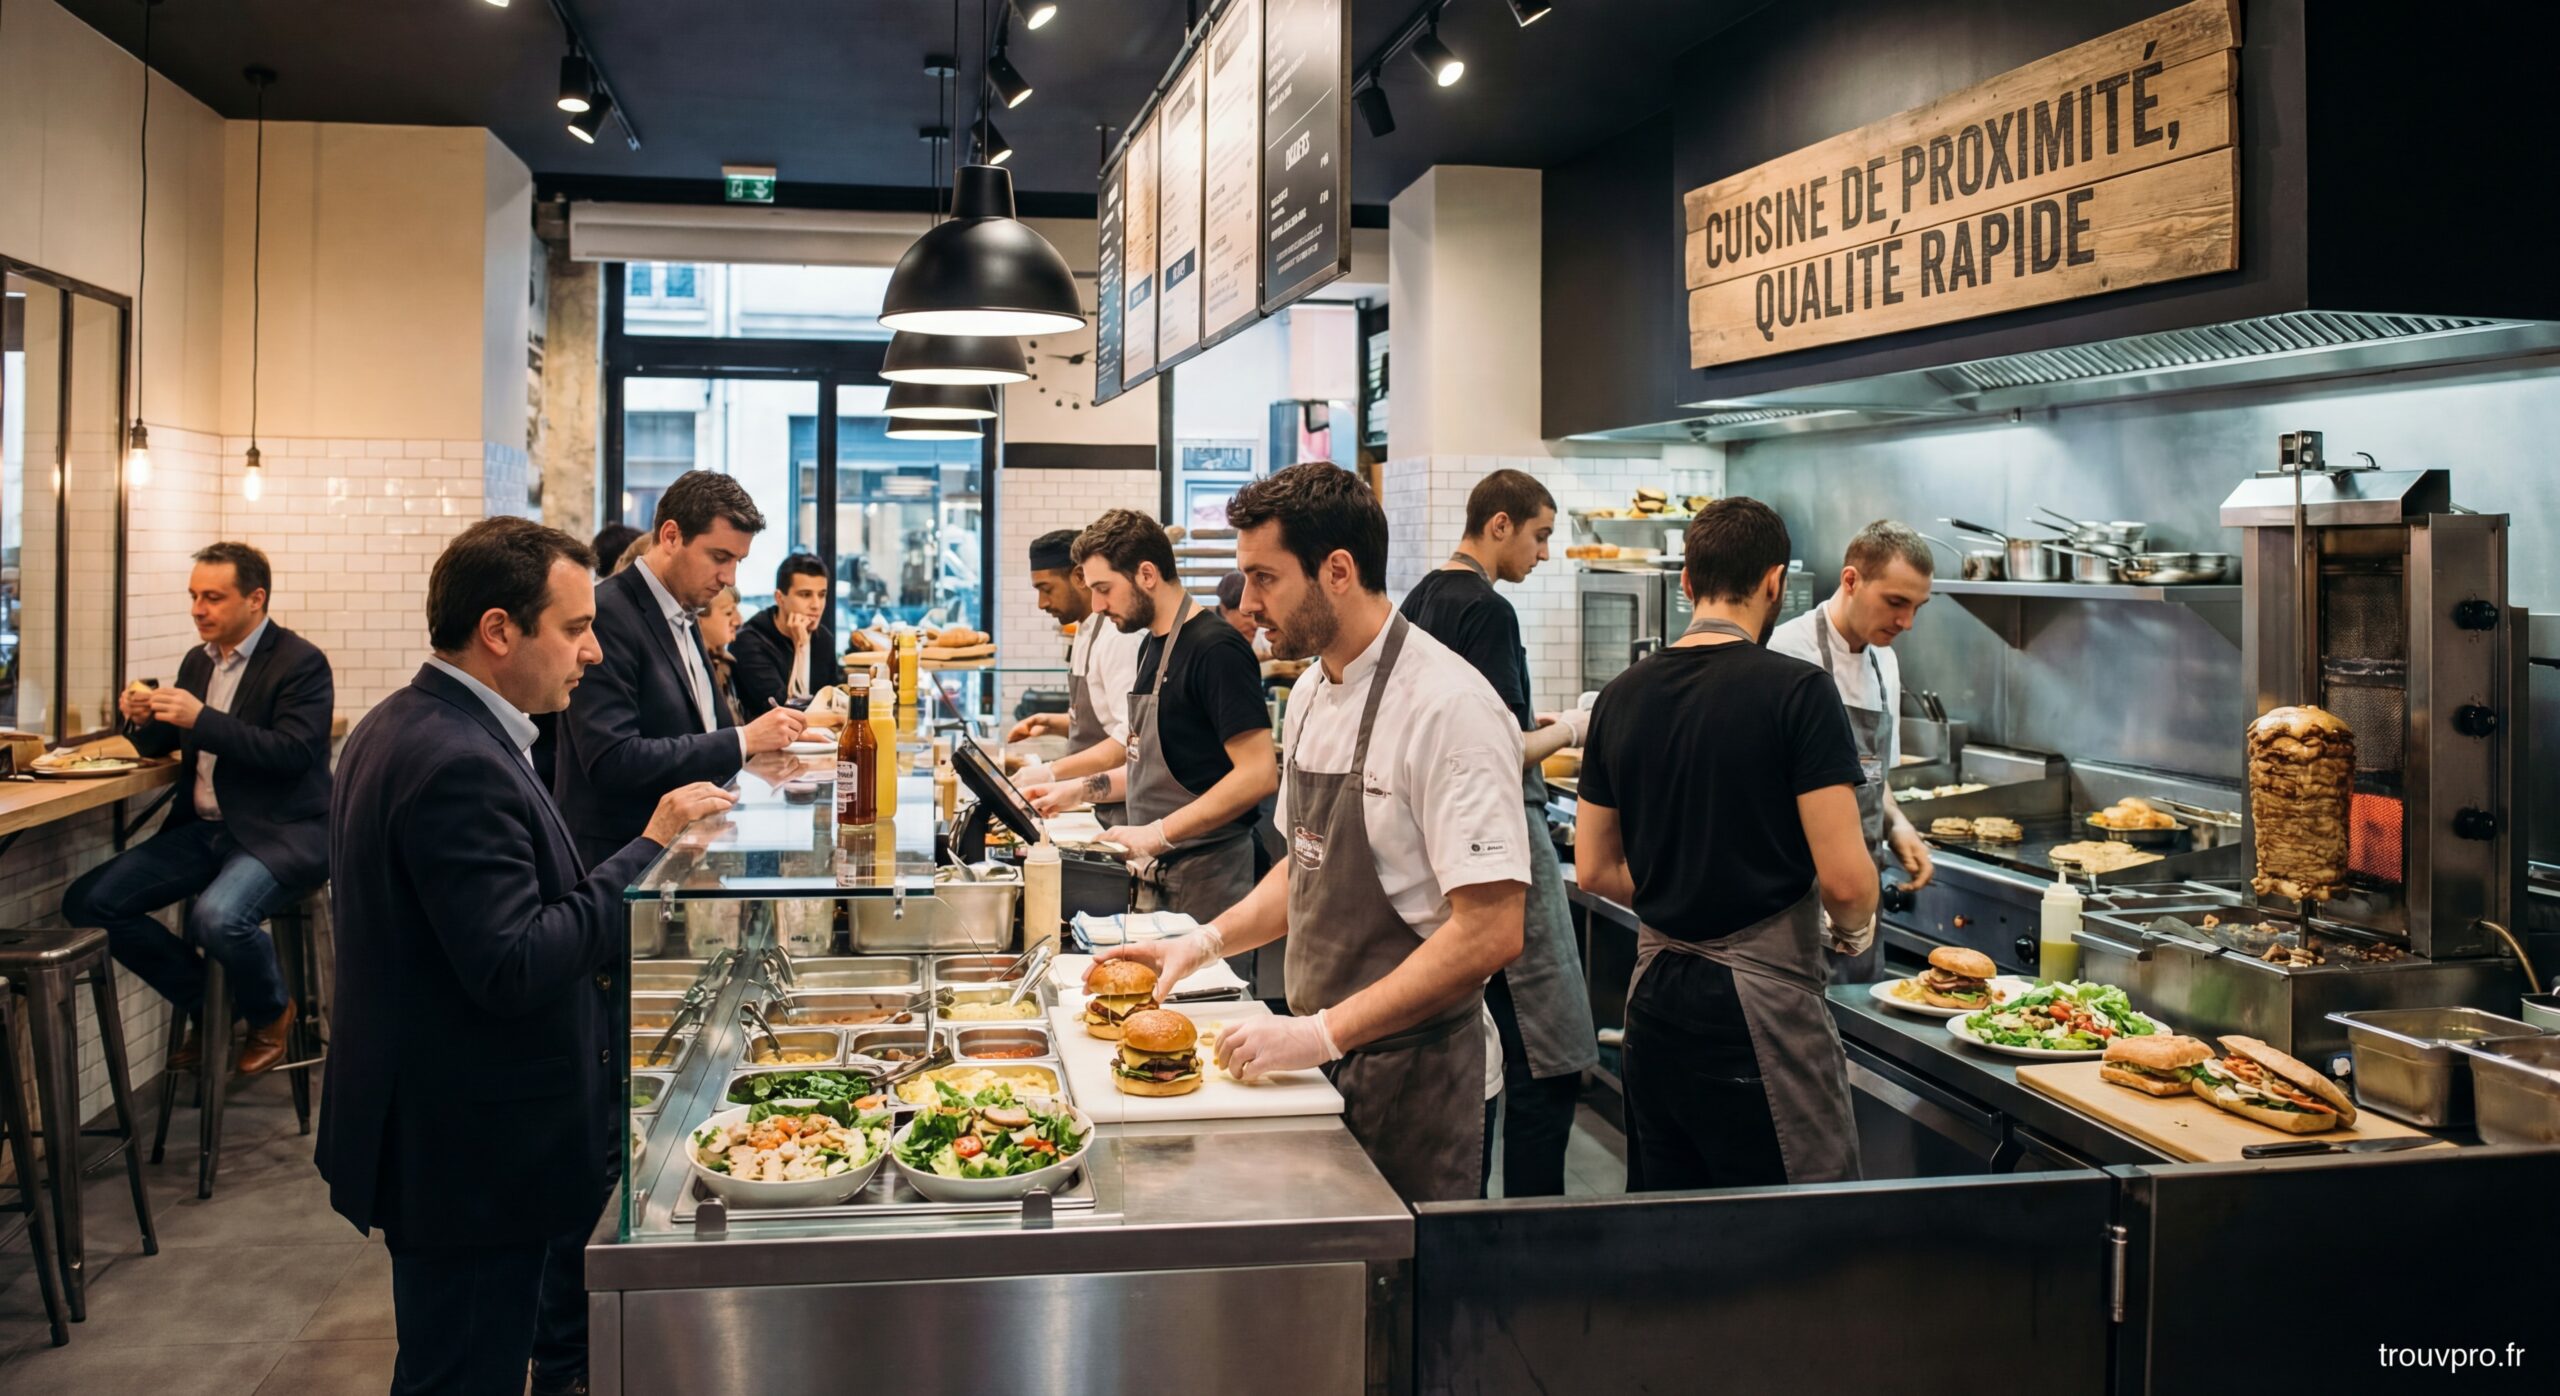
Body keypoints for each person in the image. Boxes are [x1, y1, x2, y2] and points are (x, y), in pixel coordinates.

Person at [319, 517, 735, 1396]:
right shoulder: (454, 760)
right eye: (576, 629)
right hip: (469, 1148)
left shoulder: (407, 722)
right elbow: (512, 961)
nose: (590, 654)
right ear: (499, 630)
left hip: (449, 1130)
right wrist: (648, 848)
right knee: (464, 1369)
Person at [1099, 463, 1527, 1202]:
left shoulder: (1448, 707)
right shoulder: (1308, 695)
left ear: (1337, 571)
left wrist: (1323, 1033)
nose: (1248, 602)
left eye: (1265, 578)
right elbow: (1308, 868)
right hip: (1324, 1060)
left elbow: (1491, 931)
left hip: (1421, 1076)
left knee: (1409, 1307)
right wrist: (1200, 945)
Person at [1574, 497, 1879, 1191]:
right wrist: (1854, 933)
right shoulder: (1799, 692)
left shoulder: (1620, 696)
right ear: (1775, 582)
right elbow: (1848, 882)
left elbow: (1593, 867)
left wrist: (1677, 894)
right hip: (1760, 1013)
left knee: (1675, 1234)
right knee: (1788, 1241)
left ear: (1686, 581)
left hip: (1653, 1003)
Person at [1397, 469, 1598, 1198]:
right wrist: (1576, 725)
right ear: (1501, 524)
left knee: (1489, 1057)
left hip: (1445, 853)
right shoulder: (1485, 608)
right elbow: (1498, 752)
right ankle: (1531, 1237)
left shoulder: (1423, 596)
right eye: (1541, 536)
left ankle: (1475, 1220)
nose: (1544, 554)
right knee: (1552, 1064)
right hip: (1500, 852)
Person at [64, 542, 332, 1077]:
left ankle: (271, 1011)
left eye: (213, 597)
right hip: (204, 832)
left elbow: (294, 754)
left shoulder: (301, 662)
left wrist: (201, 717)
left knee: (219, 917)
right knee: (90, 903)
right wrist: (143, 715)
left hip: (278, 833)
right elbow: (167, 740)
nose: (197, 609)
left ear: (256, 599)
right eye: (193, 596)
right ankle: (211, 1005)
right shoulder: (198, 660)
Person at [1027, 513, 1275, 958]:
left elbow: (1258, 775)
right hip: (1157, 874)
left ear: (1146, 574)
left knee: (1208, 1020)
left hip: (1209, 880)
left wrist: (1159, 831)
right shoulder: (1152, 645)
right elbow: (1146, 765)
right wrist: (1074, 790)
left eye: (1104, 589)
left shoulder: (1216, 649)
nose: (1097, 606)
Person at [555, 470, 806, 866]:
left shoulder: (684, 608)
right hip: (624, 862)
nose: (729, 578)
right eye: (720, 557)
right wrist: (743, 740)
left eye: (738, 561)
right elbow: (611, 759)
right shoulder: (608, 613)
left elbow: (700, 730)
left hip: (691, 850)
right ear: (671, 536)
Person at [1767, 519, 1938, 983]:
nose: (1906, 622)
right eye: (1896, 602)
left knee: (1859, 1034)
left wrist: (1896, 822)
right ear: (1851, 580)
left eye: (1917, 607)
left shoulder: (1885, 660)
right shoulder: (1786, 652)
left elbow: (1871, 775)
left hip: (1863, 889)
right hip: (1794, 896)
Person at [1005, 528, 1143, 825]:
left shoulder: (1118, 639)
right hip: (1091, 802)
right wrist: (1053, 723)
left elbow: (1129, 739)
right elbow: (1103, 720)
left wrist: (1050, 771)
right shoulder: (1084, 630)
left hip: (1117, 812)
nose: (1042, 603)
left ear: (1079, 578)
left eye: (1047, 588)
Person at [728, 552, 844, 718]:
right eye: (805, 595)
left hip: (819, 738)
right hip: (769, 742)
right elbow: (785, 712)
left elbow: (836, 699)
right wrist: (802, 649)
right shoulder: (750, 642)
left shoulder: (823, 638)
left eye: (822, 595)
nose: (816, 605)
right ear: (780, 598)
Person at [700, 584, 747, 729]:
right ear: (696, 618)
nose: (739, 620)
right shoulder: (696, 671)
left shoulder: (724, 664)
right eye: (728, 613)